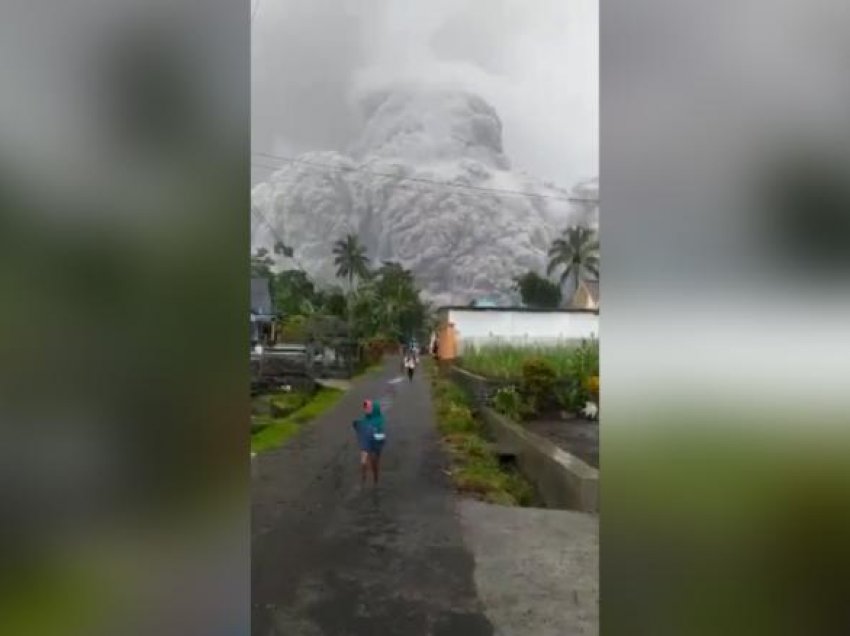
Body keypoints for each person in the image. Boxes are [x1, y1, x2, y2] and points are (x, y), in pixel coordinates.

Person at [352, 399, 386, 487]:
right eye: (365, 408)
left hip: (375, 445)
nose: (366, 410)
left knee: (374, 462)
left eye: (368, 408)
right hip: (367, 444)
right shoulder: (365, 420)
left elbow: (381, 437)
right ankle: (364, 477)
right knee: (364, 460)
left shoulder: (379, 422)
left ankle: (375, 478)